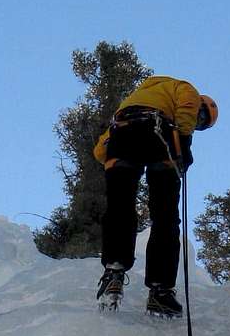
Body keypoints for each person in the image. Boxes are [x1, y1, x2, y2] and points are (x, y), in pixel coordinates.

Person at [93, 76, 219, 317]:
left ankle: (114, 270)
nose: (197, 122)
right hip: (158, 134)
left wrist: (115, 159)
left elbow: (100, 150)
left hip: (122, 136)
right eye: (201, 119)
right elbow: (186, 108)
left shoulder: (136, 97)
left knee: (120, 207)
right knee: (165, 216)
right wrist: (183, 143)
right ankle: (161, 290)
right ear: (201, 104)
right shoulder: (185, 89)